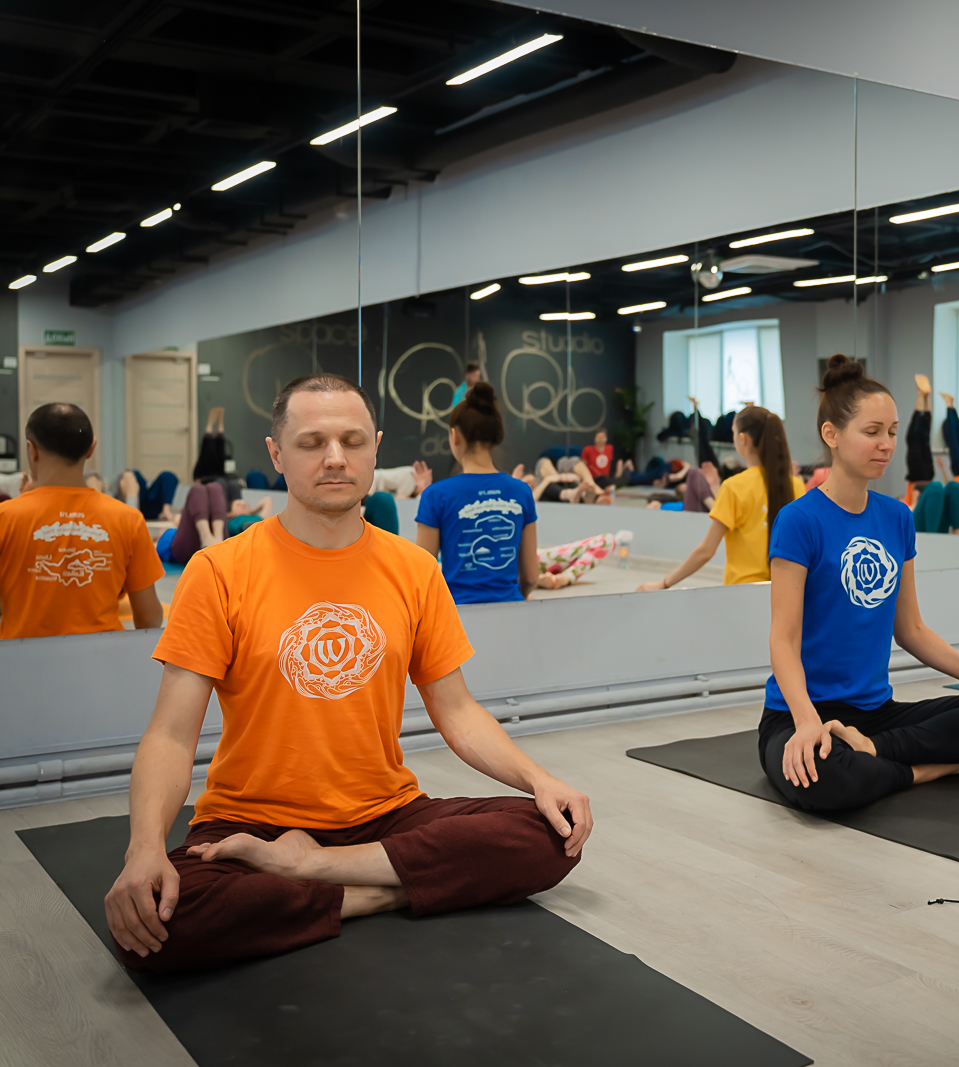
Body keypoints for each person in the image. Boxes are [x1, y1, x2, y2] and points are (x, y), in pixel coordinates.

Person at [103, 373, 591, 974]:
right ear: (277, 454)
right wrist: (144, 848)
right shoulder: (218, 571)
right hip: (251, 823)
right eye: (312, 443)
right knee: (159, 922)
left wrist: (540, 780)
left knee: (549, 831)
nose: (335, 457)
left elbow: (459, 712)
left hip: (386, 816)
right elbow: (171, 735)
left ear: (375, 449)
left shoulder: (414, 570)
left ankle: (322, 875)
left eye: (352, 441)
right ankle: (388, 889)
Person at [761, 355, 959, 812]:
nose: (886, 444)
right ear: (831, 434)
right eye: (872, 431)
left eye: (893, 432)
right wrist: (807, 721)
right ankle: (922, 770)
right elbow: (783, 638)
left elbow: (911, 630)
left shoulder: (897, 517)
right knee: (827, 780)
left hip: (877, 716)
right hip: (798, 713)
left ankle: (874, 752)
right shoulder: (799, 520)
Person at [0, 403, 164, 639]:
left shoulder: (5, 517)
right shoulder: (128, 520)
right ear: (91, 449)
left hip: (21, 659)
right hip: (103, 658)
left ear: (31, 450)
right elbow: (149, 619)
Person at [638, 406, 804, 591]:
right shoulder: (796, 486)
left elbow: (706, 551)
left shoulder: (734, 487)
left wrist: (664, 583)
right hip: (788, 592)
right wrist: (715, 487)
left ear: (742, 439)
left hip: (742, 594)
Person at [416, 382, 539, 604]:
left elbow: (422, 577)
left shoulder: (435, 496)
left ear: (455, 436)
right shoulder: (522, 492)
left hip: (456, 615)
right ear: (496, 435)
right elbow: (530, 577)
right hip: (511, 610)